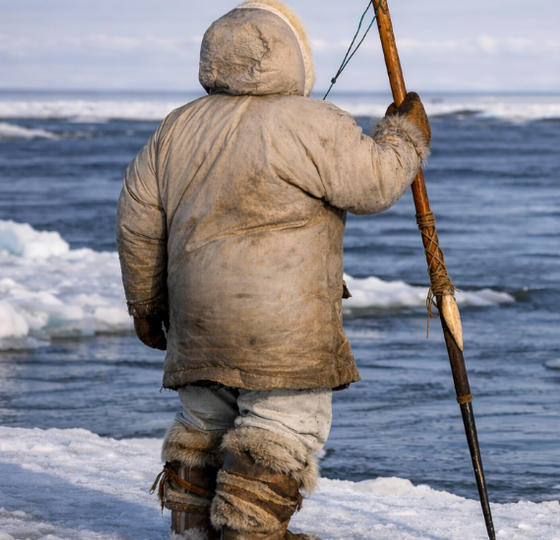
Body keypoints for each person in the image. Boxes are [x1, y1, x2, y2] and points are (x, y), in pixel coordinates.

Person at [115, 1, 430, 538]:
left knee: (204, 424)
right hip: (284, 324)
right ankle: (250, 531)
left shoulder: (176, 128)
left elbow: (137, 223)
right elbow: (374, 183)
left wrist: (146, 307)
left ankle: (193, 529)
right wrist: (405, 136)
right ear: (293, 56)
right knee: (280, 426)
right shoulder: (312, 121)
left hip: (197, 321)